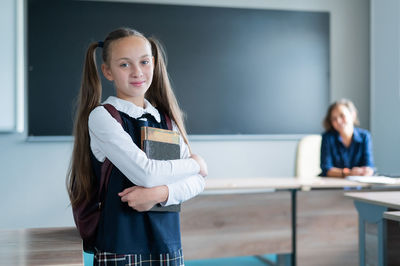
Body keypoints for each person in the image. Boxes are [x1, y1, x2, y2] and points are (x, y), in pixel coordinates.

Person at [66, 27, 208, 266]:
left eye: (144, 62)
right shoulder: (103, 117)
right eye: (124, 65)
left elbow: (198, 182)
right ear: (107, 72)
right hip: (121, 247)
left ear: (153, 63)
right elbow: (146, 172)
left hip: (168, 245)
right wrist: (195, 163)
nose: (137, 72)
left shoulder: (165, 120)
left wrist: (159, 194)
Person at [320, 99, 375, 177]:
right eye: (334, 119)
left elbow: (369, 165)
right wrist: (348, 173)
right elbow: (326, 168)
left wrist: (367, 171)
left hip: (358, 185)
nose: (338, 121)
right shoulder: (328, 138)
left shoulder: (364, 136)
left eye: (342, 116)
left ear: (353, 115)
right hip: (333, 184)